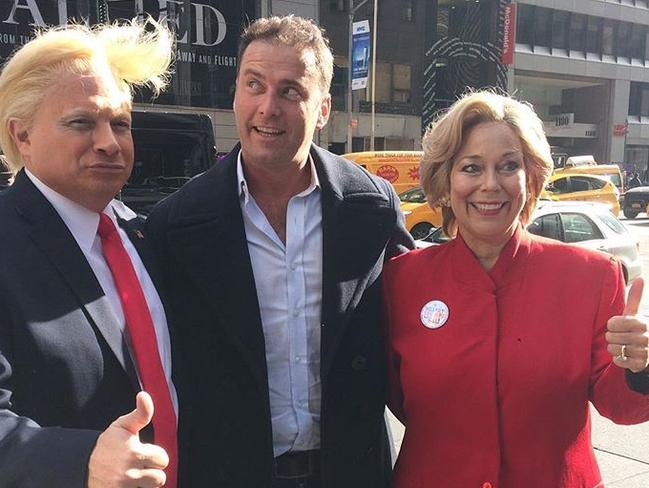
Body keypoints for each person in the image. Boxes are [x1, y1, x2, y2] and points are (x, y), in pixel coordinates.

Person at [147, 15, 413, 488]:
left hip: (351, 472)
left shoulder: (370, 206)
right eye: (255, 85)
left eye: (290, 90)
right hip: (229, 474)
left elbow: (416, 326)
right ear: (235, 94)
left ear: (324, 108)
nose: (268, 107)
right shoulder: (174, 224)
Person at [383, 90, 649, 488]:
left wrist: (639, 368)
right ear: (445, 179)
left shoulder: (592, 276)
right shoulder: (400, 280)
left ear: (531, 178)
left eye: (509, 166)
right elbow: (396, 397)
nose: (490, 184)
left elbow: (621, 406)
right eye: (471, 167)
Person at [0, 19, 179, 487]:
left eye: (120, 124)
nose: (109, 142)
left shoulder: (142, 235)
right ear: (22, 136)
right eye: (82, 122)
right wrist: (83, 461)